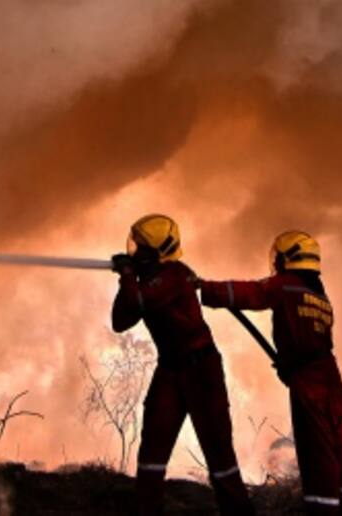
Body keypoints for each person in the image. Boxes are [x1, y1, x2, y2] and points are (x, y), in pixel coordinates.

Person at [199, 231, 342, 515]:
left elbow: (253, 292)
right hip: (331, 382)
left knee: (317, 458)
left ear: (288, 259)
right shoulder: (319, 296)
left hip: (310, 385)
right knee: (341, 455)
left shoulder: (286, 285)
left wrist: (206, 289)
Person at [111, 213, 254, 516]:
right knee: (152, 449)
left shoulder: (174, 276)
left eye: (140, 248)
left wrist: (126, 274)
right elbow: (120, 321)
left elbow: (138, 303)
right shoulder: (145, 282)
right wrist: (128, 278)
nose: (135, 251)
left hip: (201, 370)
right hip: (170, 369)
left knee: (219, 456)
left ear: (155, 251)